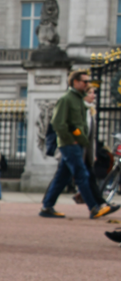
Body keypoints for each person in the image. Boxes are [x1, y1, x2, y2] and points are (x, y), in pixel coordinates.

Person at [39, 71, 116, 219]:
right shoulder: (66, 99)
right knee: (82, 175)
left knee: (62, 177)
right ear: (75, 82)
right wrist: (70, 138)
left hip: (77, 144)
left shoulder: (78, 100)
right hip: (69, 144)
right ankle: (94, 208)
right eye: (85, 81)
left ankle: (47, 206)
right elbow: (57, 123)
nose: (87, 84)